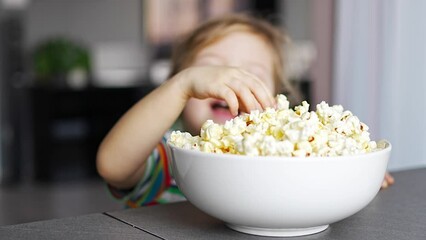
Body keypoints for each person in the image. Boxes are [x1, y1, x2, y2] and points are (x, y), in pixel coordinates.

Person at [96, 14, 393, 208]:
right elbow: (112, 165)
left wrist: (349, 175)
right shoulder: (169, 157)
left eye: (252, 75)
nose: (231, 81)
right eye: (210, 69)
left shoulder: (288, 162)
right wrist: (181, 86)